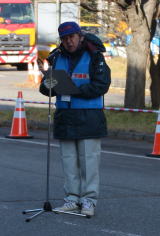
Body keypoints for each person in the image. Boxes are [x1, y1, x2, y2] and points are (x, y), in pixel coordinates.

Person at [39, 21, 111, 216]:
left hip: (89, 115)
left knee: (89, 161)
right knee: (69, 160)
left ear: (80, 36)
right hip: (65, 115)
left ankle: (89, 200)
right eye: (64, 38)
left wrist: (74, 90)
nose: (68, 41)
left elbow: (102, 84)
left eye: (71, 37)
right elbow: (46, 90)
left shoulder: (95, 56)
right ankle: (72, 198)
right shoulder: (56, 57)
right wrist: (47, 80)